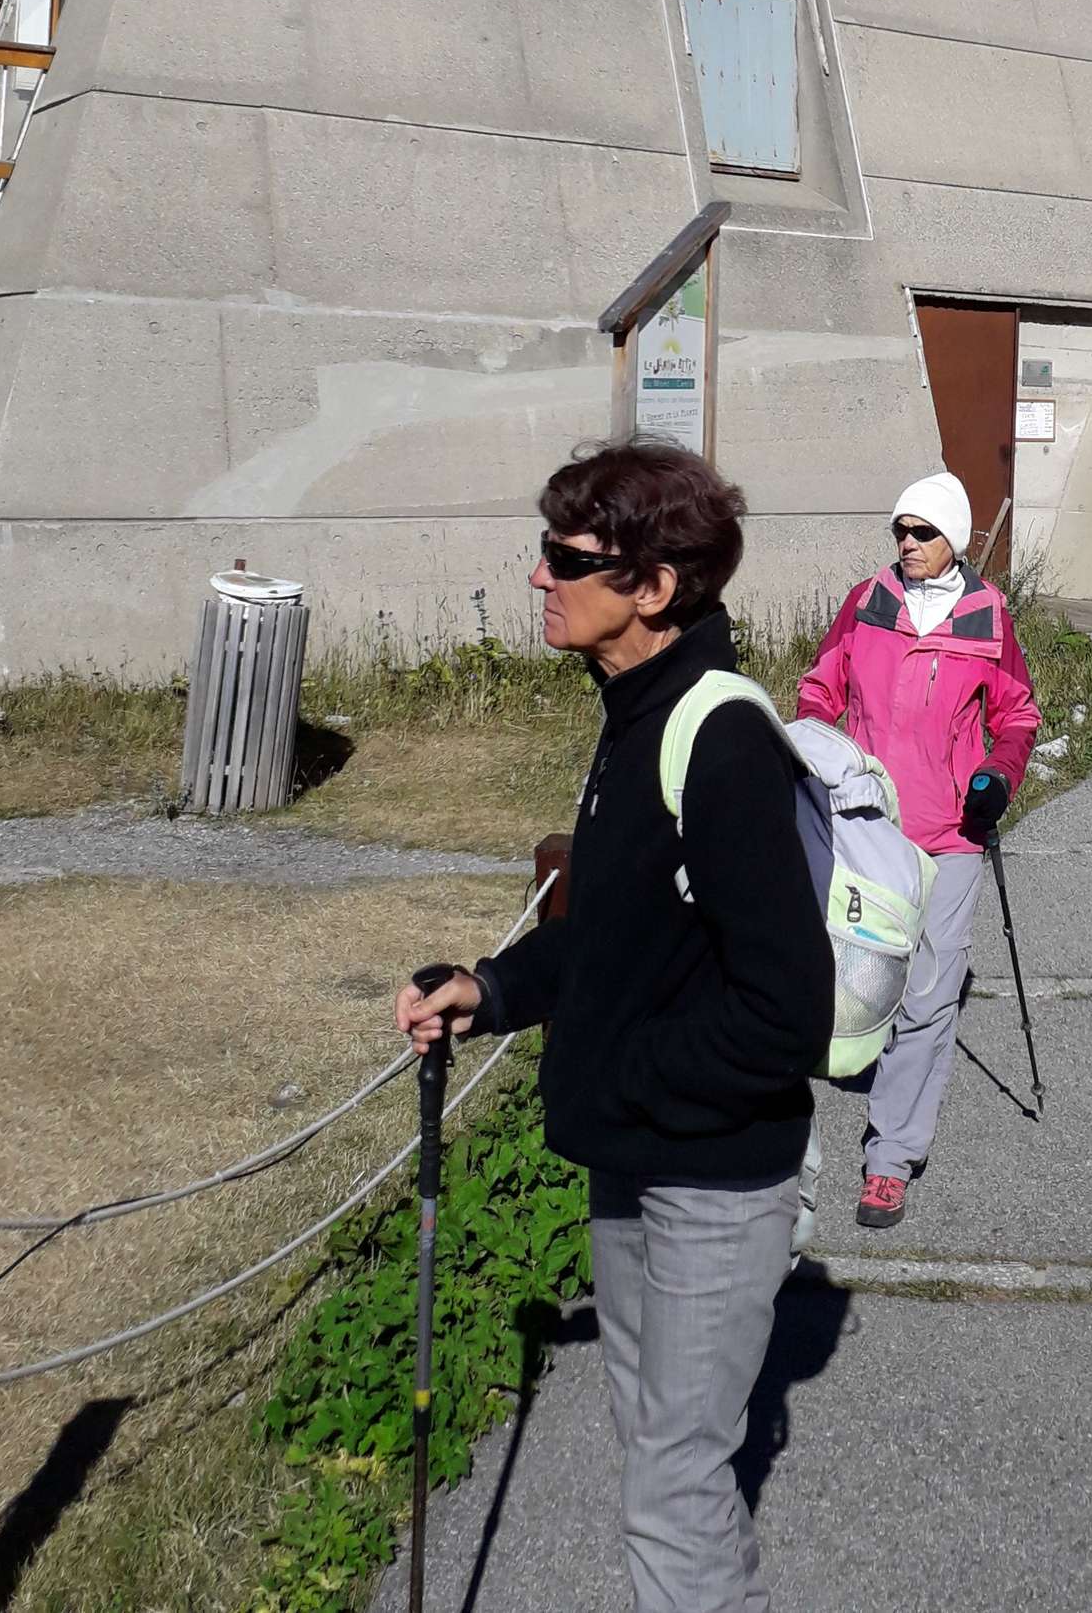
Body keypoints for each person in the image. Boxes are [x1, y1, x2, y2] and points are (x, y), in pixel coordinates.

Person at [395, 440, 831, 1613]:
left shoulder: (718, 739)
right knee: (658, 1455)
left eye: (565, 557)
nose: (539, 576)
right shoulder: (635, 712)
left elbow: (786, 1011)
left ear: (653, 586)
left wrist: (618, 1068)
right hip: (638, 1157)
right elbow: (614, 935)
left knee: (671, 1487)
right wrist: (490, 990)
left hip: (712, 1178)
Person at [797, 471, 1038, 1229]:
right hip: (867, 827)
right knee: (856, 974)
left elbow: (1017, 716)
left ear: (953, 539)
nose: (907, 542)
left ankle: (891, 1159)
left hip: (951, 832)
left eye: (922, 531)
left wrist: (999, 775)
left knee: (931, 994)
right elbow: (819, 691)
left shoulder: (988, 615)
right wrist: (819, 755)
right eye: (900, 529)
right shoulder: (867, 601)